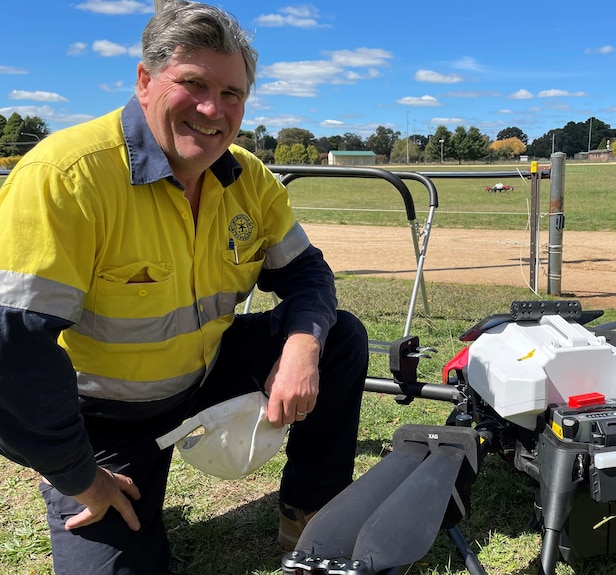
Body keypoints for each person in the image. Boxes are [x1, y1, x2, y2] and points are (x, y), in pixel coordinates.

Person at [0, 1, 368, 573]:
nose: (211, 110)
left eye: (232, 94)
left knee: (336, 335)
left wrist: (301, 347)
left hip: (204, 373)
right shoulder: (67, 178)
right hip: (105, 418)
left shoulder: (248, 176)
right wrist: (79, 475)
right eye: (193, 84)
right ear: (145, 81)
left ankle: (310, 511)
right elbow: (11, 349)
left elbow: (306, 273)